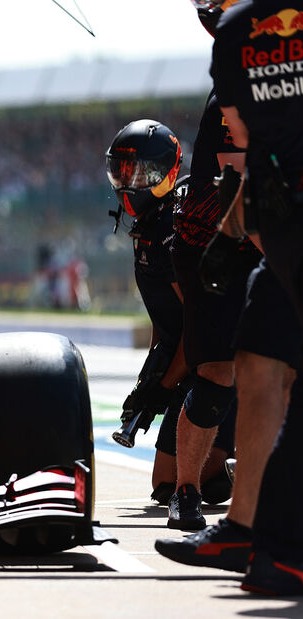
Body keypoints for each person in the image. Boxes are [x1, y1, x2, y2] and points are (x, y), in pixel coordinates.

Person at [156, 0, 303, 595]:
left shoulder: (236, 31)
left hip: (283, 222)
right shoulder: (238, 30)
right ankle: (244, 527)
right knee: (259, 357)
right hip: (281, 226)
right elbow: (240, 150)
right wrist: (235, 228)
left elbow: (240, 138)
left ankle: (288, 547)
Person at [105, 119, 233, 506]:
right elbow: (166, 324)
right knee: (164, 486)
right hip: (188, 364)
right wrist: (152, 376)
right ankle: (220, 474)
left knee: (175, 481)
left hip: (216, 362)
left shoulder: (173, 226)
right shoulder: (147, 227)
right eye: (123, 170)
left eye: (142, 172)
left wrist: (162, 388)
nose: (131, 182)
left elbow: (196, 321)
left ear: (167, 170)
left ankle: (254, 465)